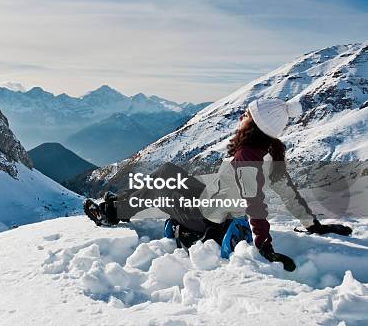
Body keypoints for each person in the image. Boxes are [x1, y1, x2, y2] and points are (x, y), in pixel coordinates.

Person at [83, 98, 352, 271]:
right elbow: (289, 194)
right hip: (212, 202)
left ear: (254, 124)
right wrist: (312, 224)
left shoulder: (248, 158)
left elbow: (255, 203)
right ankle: (119, 203)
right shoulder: (270, 151)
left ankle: (112, 212)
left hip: (206, 217)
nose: (241, 117)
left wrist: (265, 246)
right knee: (167, 171)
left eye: (246, 114)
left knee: (159, 187)